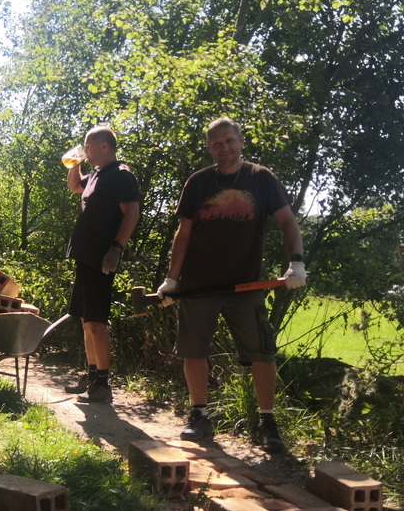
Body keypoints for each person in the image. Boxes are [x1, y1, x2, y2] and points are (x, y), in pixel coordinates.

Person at [157, 117, 306, 453]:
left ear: (240, 141)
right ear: (209, 148)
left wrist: (296, 262)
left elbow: (287, 221)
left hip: (246, 286)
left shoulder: (261, 178)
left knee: (262, 353)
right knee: (193, 350)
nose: (224, 148)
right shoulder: (197, 183)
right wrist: (171, 279)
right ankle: (199, 416)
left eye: (229, 141)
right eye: (216, 144)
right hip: (198, 285)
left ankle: (267, 422)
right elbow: (184, 234)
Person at [64, 125, 141, 403]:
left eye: (88, 146)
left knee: (97, 322)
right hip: (84, 257)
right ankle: (91, 374)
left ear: (105, 146)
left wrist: (116, 248)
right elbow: (75, 186)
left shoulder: (121, 175)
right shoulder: (97, 174)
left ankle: (103, 385)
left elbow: (132, 213)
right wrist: (75, 163)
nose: (85, 150)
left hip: (101, 258)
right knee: (86, 320)